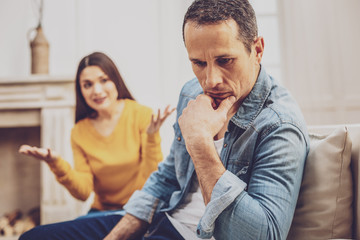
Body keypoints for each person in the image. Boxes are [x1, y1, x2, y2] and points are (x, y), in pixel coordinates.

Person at [20, 0, 310, 239]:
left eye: (225, 60)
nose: (210, 80)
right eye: (198, 63)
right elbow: (168, 177)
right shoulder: (192, 92)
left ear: (257, 50)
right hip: (161, 218)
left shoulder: (279, 124)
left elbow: (263, 236)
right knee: (34, 237)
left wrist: (200, 144)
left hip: (200, 235)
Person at [19, 52, 174, 217]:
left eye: (104, 80)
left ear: (115, 80)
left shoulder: (141, 115)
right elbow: (83, 192)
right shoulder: (79, 131)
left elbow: (153, 178)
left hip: (140, 209)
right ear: (81, 91)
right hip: (102, 212)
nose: (97, 91)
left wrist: (152, 137)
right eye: (87, 85)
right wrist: (56, 163)